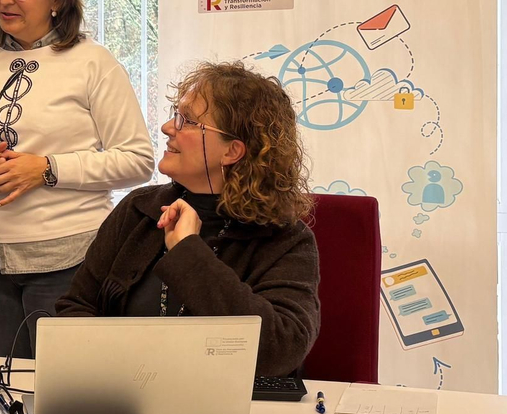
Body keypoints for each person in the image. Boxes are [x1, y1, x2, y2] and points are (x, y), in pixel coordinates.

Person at [0, 0, 153, 358]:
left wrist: (47, 168)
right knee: (4, 396)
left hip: (70, 261)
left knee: (61, 399)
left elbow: (138, 160)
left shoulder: (94, 63)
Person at [55, 60, 321, 376]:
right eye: (174, 116)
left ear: (232, 152)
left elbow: (280, 351)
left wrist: (188, 253)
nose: (168, 128)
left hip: (236, 413)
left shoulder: (286, 238)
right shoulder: (140, 209)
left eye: (187, 121)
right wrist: (129, 370)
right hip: (124, 396)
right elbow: (74, 309)